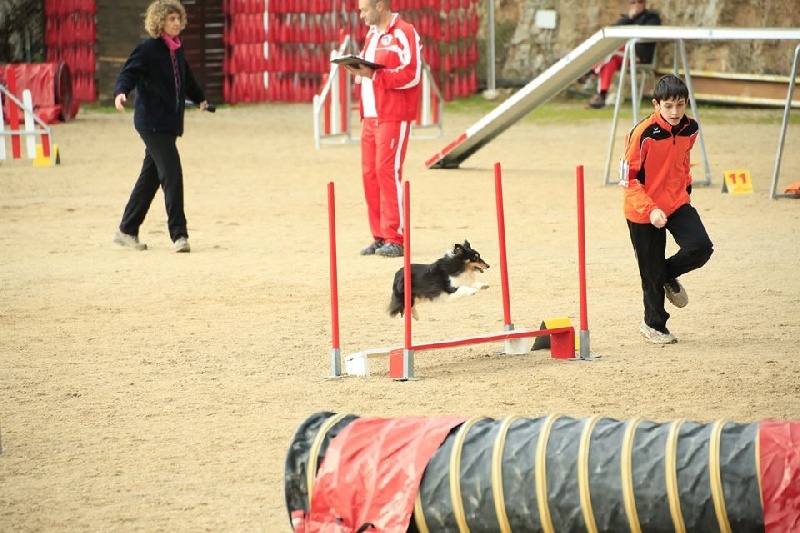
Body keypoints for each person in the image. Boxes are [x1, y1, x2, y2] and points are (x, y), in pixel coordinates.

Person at [619, 74, 713, 344]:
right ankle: (654, 325)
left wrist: (686, 190)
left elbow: (683, 163)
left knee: (701, 247)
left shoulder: (690, 129)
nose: (674, 112)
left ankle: (667, 274)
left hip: (676, 202)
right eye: (668, 106)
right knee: (649, 271)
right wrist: (650, 210)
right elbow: (628, 179)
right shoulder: (642, 133)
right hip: (641, 208)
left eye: (680, 105)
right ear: (656, 104)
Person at [112, 0, 210, 253]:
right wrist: (121, 92)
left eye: (178, 18)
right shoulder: (148, 49)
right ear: (159, 22)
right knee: (173, 175)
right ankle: (179, 235)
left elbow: (185, 76)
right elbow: (128, 73)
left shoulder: (176, 49)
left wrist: (199, 97)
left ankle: (126, 230)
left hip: (168, 124)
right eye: (171, 19)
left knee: (150, 178)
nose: (177, 23)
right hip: (151, 123)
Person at [343, 0, 421, 258]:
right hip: (370, 115)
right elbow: (371, 72)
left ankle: (396, 237)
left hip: (393, 114)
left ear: (380, 6)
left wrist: (376, 76)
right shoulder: (372, 35)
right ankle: (379, 236)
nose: (361, 14)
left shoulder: (404, 31)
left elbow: (412, 73)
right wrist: (358, 69)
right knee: (370, 174)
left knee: (387, 171)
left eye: (365, 9)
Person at [584, 0, 661, 109]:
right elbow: (615, 30)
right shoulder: (627, 18)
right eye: (633, 3)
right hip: (622, 56)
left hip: (639, 56)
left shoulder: (652, 18)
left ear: (644, 4)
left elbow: (648, 33)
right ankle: (602, 94)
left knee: (610, 51)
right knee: (610, 61)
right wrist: (629, 18)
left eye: (639, 2)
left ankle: (590, 70)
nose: (636, 5)